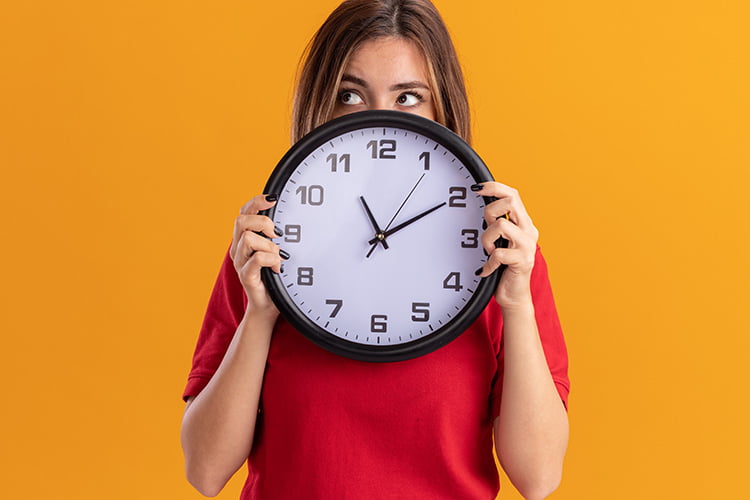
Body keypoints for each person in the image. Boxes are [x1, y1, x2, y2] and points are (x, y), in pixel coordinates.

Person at [180, 1, 570, 499]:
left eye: (408, 97)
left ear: (442, 110)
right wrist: (260, 314)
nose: (379, 122)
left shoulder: (503, 256)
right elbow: (205, 471)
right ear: (319, 105)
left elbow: (538, 478)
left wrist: (515, 304)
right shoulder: (265, 250)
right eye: (350, 94)